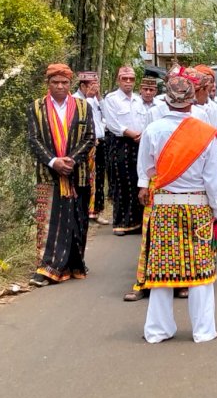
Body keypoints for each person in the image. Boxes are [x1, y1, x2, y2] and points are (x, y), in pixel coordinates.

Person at [135, 74, 217, 343]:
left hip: (163, 206)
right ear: (191, 100)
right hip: (197, 207)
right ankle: (203, 330)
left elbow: (146, 169)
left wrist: (148, 185)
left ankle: (157, 329)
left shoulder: (153, 130)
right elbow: (213, 180)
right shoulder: (204, 134)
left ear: (167, 99)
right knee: (201, 271)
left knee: (162, 269)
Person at [27, 63, 95, 287]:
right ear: (48, 84)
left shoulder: (83, 107)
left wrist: (72, 160)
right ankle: (47, 268)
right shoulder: (36, 107)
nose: (60, 86)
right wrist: (54, 161)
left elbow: (89, 138)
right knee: (48, 222)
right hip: (49, 174)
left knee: (77, 220)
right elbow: (33, 139)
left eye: (64, 82)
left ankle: (73, 264)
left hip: (78, 173)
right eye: (55, 82)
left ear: (70, 84)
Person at [104, 66, 148, 235]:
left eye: (131, 79)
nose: (128, 82)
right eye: (124, 78)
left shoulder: (138, 100)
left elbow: (144, 119)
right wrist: (129, 133)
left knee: (138, 181)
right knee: (122, 182)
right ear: (118, 80)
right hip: (120, 144)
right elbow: (112, 123)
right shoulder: (112, 99)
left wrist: (142, 134)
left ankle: (137, 223)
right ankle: (121, 223)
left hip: (139, 143)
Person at [73, 71, 110, 225]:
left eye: (97, 85)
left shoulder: (95, 100)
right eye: (92, 86)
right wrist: (88, 97)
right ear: (82, 85)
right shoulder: (76, 100)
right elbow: (81, 119)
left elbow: (107, 115)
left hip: (100, 142)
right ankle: (85, 211)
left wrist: (99, 97)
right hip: (86, 145)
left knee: (100, 178)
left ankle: (96, 211)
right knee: (87, 179)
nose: (95, 88)